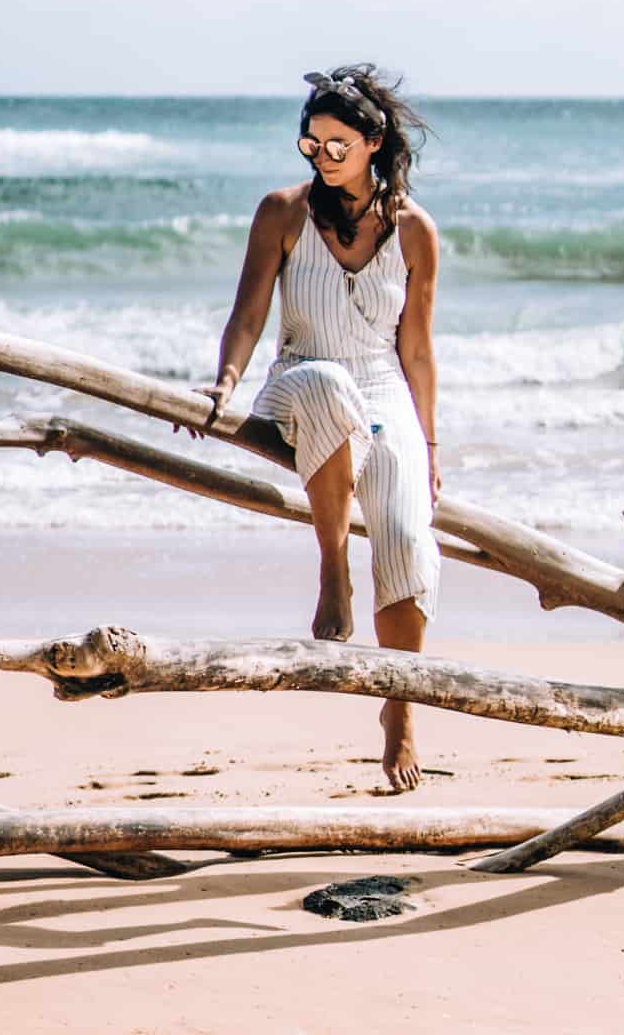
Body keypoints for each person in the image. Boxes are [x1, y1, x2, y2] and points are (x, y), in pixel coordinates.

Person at [196, 64, 443, 792]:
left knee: (406, 538)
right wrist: (226, 383)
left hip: (383, 389)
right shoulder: (281, 212)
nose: (323, 155)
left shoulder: (414, 230)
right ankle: (333, 567)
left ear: (373, 142)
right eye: (312, 144)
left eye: (338, 143)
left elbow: (418, 349)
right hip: (299, 380)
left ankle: (400, 712)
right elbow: (247, 315)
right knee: (330, 387)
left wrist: (428, 445)